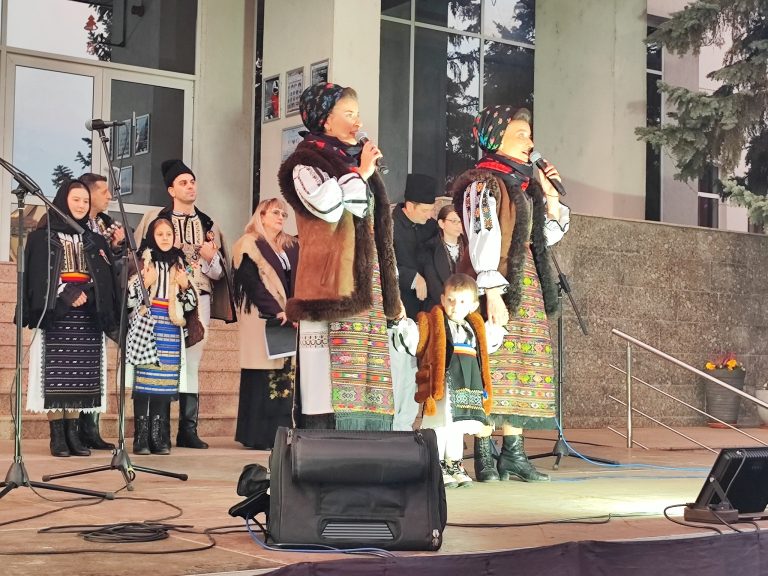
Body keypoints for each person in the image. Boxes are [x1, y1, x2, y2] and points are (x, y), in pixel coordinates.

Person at [451, 105, 570, 482]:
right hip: (494, 285)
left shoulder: (523, 186)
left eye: (530, 134)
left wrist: (551, 199)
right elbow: (483, 237)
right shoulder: (483, 182)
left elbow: (543, 240)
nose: (530, 142)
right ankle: (485, 454)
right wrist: (492, 292)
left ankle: (514, 453)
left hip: (527, 284)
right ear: (494, 137)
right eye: (521, 134)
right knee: (492, 367)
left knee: (520, 369)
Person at [277, 82, 402, 431]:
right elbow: (328, 208)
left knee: (368, 374)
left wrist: (392, 291)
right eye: (348, 114)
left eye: (358, 114)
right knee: (327, 381)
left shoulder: (355, 163)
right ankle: (326, 456)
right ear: (325, 121)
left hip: (366, 282)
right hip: (329, 284)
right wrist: (358, 173)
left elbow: (372, 222)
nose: (357, 122)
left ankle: (366, 456)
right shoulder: (304, 163)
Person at [134, 159, 236, 449]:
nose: (190, 186)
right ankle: (159, 431)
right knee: (164, 362)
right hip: (163, 301)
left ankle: (188, 430)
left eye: (192, 181)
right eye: (183, 182)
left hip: (198, 301)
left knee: (191, 363)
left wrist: (210, 257)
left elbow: (218, 274)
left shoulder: (208, 224)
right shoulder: (157, 222)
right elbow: (142, 261)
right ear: (171, 189)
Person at [20, 179, 118, 457]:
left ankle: (74, 435)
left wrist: (88, 291)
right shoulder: (43, 235)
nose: (81, 205)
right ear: (63, 200)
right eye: (76, 199)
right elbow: (39, 275)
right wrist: (66, 292)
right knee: (56, 374)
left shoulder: (93, 238)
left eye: (86, 201)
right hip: (57, 313)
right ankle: (57, 437)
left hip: (86, 314)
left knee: (80, 375)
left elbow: (103, 275)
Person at [397, 274, 500, 488]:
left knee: (457, 427)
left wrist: (497, 327)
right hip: (443, 385)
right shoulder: (433, 323)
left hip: (467, 386)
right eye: (451, 300)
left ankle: (455, 465)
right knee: (440, 426)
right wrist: (404, 325)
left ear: (472, 305)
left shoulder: (475, 327)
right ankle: (438, 466)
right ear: (443, 300)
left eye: (462, 301)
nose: (455, 306)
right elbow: (417, 340)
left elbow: (487, 346)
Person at [127, 217, 198, 455]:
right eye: (160, 234)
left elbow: (190, 305)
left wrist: (186, 285)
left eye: (169, 234)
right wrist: (144, 284)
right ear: (151, 237)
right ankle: (141, 437)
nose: (165, 238)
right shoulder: (143, 261)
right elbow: (129, 298)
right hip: (149, 323)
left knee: (164, 382)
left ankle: (158, 437)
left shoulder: (180, 263)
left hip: (171, 326)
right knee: (145, 381)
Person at [231, 198, 299, 449]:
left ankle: (281, 433)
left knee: (284, 374)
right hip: (261, 316)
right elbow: (251, 283)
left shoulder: (291, 245)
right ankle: (258, 435)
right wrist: (275, 310)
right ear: (260, 215)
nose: (280, 217)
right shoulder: (248, 243)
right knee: (261, 373)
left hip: (288, 316)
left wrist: (293, 309)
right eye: (274, 212)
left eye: (283, 213)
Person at [74, 172, 126, 451]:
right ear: (88, 193)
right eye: (104, 191)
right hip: (76, 299)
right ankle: (70, 431)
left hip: (99, 302)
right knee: (74, 368)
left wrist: (116, 246)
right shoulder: (71, 223)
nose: (109, 196)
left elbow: (110, 263)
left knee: (94, 368)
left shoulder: (105, 223)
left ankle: (90, 430)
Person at [389, 173, 439, 431]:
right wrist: (412, 277)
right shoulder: (389, 224)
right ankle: (398, 427)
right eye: (426, 210)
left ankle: (417, 425)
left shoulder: (430, 226)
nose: (430, 215)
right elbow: (383, 262)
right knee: (402, 372)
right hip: (399, 308)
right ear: (408, 206)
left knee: (426, 371)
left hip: (427, 310)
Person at [421, 204, 467, 312]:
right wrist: (448, 305)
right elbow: (433, 285)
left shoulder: (469, 246)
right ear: (442, 223)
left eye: (461, 221)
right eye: (454, 221)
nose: (459, 225)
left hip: (466, 304)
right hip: (440, 305)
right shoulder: (429, 248)